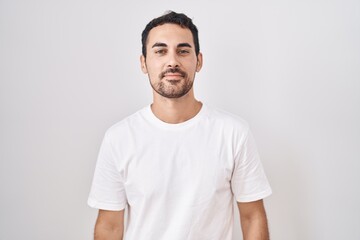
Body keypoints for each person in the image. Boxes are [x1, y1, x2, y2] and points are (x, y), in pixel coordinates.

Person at [88, 11, 272, 240]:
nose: (172, 61)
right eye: (160, 51)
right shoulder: (119, 138)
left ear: (199, 61)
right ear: (144, 63)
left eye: (183, 51)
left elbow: (252, 217)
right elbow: (109, 226)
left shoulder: (233, 133)